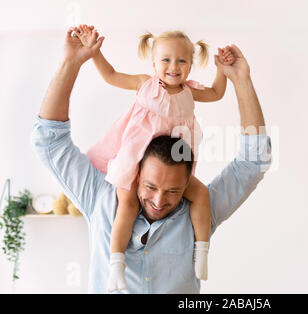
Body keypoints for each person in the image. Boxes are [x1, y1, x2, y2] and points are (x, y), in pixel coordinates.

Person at [31, 26, 272, 294]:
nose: (159, 201)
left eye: (174, 191)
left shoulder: (199, 209)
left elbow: (253, 162)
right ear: (136, 171)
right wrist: (72, 63)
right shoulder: (103, 198)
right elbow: (50, 141)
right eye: (150, 186)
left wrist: (241, 80)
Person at [72, 24, 236, 291]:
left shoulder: (189, 92)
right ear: (154, 63)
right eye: (166, 60)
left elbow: (217, 93)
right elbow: (111, 75)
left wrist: (222, 69)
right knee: (126, 203)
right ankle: (116, 263)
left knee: (201, 194)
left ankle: (201, 252)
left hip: (171, 165)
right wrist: (93, 53)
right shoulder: (145, 85)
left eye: (182, 60)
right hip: (137, 160)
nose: (174, 66)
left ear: (191, 65)